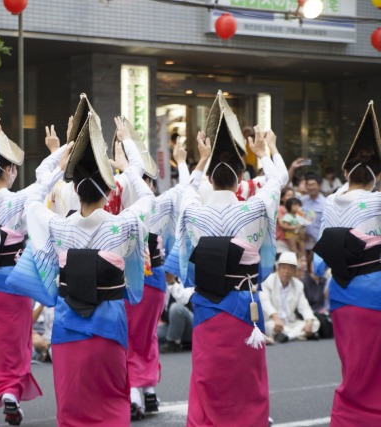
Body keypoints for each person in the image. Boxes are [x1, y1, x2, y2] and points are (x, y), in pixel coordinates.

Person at [10, 111, 153, 427]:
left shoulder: (59, 227)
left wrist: (57, 160)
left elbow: (33, 197)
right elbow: (145, 194)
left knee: (73, 407)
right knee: (112, 400)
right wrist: (129, 149)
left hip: (67, 324)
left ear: (76, 191)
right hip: (109, 324)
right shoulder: (123, 224)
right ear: (109, 191)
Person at [177, 92, 288, 427]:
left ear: (210, 179)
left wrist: (196, 161)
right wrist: (265, 153)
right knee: (245, 376)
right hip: (244, 303)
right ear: (241, 179)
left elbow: (186, 188)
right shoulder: (253, 207)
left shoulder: (194, 211)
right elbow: (278, 181)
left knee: (209, 374)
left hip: (208, 305)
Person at [0, 110, 65, 425]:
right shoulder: (19, 200)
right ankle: (10, 391)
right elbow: (44, 180)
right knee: (17, 341)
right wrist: (56, 152)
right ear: (8, 169)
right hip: (15, 281)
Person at [313, 100, 381, 426]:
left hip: (339, 293)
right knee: (375, 368)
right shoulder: (375, 201)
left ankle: (347, 416)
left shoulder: (329, 202)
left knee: (353, 364)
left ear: (346, 173)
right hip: (374, 293)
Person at [121, 121, 190, 419]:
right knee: (146, 335)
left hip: (130, 280)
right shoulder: (161, 203)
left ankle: (135, 394)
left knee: (128, 337)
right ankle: (149, 393)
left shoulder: (123, 211)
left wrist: (125, 157)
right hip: (156, 280)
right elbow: (187, 187)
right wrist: (184, 161)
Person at [260, 252, 320, 343]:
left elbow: (304, 307)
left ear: (295, 271)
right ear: (278, 268)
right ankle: (300, 335)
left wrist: (309, 321)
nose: (286, 271)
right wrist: (276, 318)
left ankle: (288, 336)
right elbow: (265, 303)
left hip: (291, 323)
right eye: (284, 267)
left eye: (290, 268)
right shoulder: (267, 281)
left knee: (315, 323)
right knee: (270, 326)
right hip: (273, 321)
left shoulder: (298, 285)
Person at [300, 172, 325, 257]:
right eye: (308, 185)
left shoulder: (325, 203)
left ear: (319, 185)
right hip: (303, 243)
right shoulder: (302, 201)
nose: (311, 187)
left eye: (313, 184)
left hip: (319, 243)